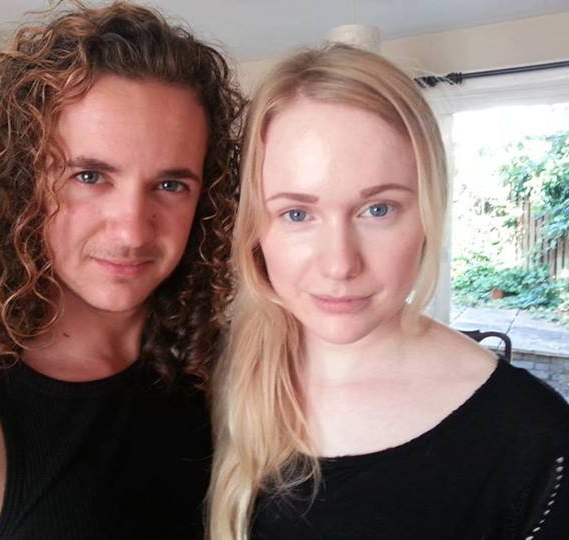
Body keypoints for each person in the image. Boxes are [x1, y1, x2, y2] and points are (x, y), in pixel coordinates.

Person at [0, 2, 243, 539]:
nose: (133, 230)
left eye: (170, 185)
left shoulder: (209, 365)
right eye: (89, 176)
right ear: (20, 182)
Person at [208, 43, 569, 540]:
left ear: (428, 213)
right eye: (297, 214)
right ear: (255, 228)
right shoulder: (206, 382)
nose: (340, 264)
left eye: (378, 210)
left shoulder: (534, 441)